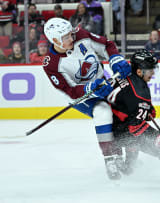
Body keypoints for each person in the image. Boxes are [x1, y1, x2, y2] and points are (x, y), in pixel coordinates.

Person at [42, 17, 131, 180]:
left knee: (123, 109)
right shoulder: (51, 64)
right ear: (54, 40)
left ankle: (122, 154)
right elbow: (69, 89)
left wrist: (115, 58)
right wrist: (89, 88)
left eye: (70, 34)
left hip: (103, 81)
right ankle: (109, 158)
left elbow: (107, 45)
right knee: (103, 112)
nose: (71, 38)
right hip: (81, 95)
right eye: (66, 37)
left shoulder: (80, 34)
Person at [107, 49, 160, 187]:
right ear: (139, 71)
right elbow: (135, 126)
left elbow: (126, 102)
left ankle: (128, 167)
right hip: (124, 131)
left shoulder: (125, 74)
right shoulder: (140, 92)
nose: (153, 73)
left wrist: (146, 109)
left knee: (133, 143)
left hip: (111, 129)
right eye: (150, 70)